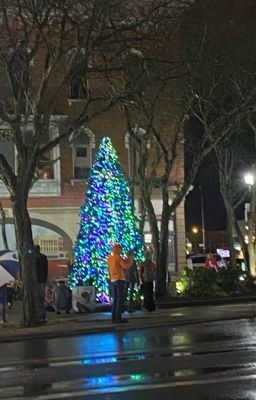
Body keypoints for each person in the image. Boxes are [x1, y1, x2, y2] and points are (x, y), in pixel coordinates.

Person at [107, 244, 134, 323]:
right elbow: (125, 266)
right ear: (118, 249)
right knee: (119, 299)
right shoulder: (119, 258)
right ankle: (118, 318)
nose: (121, 250)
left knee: (115, 299)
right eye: (120, 249)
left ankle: (113, 318)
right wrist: (130, 261)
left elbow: (109, 268)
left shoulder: (109, 259)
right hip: (119, 279)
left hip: (113, 280)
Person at [35, 245, 48, 323]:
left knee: (37, 299)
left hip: (36, 281)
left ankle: (38, 316)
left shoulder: (33, 258)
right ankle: (43, 316)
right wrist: (44, 279)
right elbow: (46, 270)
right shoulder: (44, 257)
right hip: (42, 280)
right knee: (41, 299)